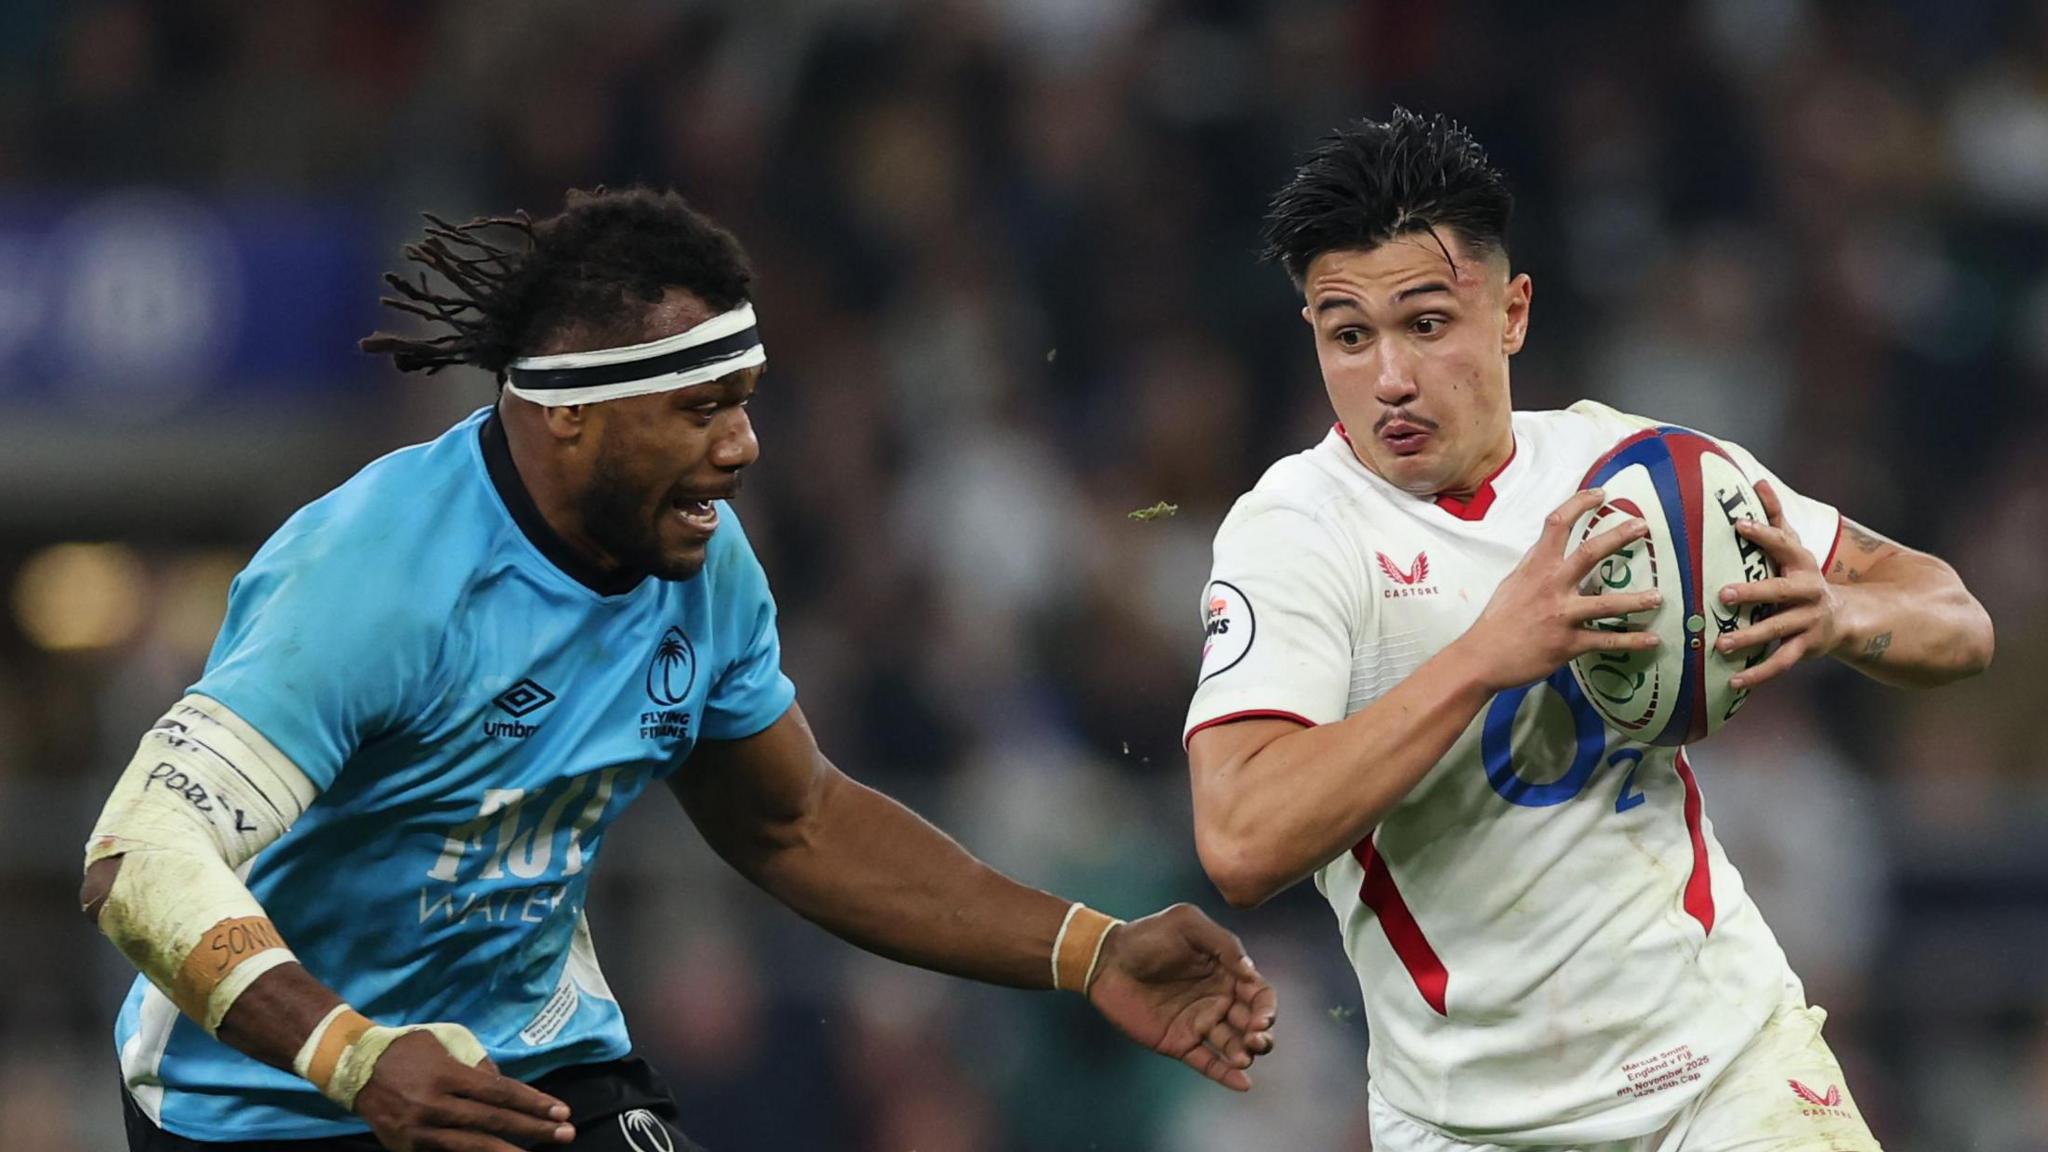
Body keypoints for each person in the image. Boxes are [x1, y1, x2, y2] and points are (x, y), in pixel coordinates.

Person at [83, 187, 1278, 1152]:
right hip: (267, 1104)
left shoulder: (698, 560)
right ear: (569, 415)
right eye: (701, 408)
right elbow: (137, 858)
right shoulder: (372, 578)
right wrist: (351, 1056)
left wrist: (1088, 950)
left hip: (530, 1063)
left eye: (744, 403)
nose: (743, 446)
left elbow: (795, 822)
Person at [1184, 110, 1993, 1152]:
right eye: (1349, 336)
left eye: (1425, 324)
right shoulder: (1295, 533)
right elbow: (1241, 840)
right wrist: (1483, 658)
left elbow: (1957, 621)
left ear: (1511, 313)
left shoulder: (1641, 475)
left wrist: (1840, 613)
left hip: (1726, 1069)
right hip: (1470, 1123)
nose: (1389, 378)